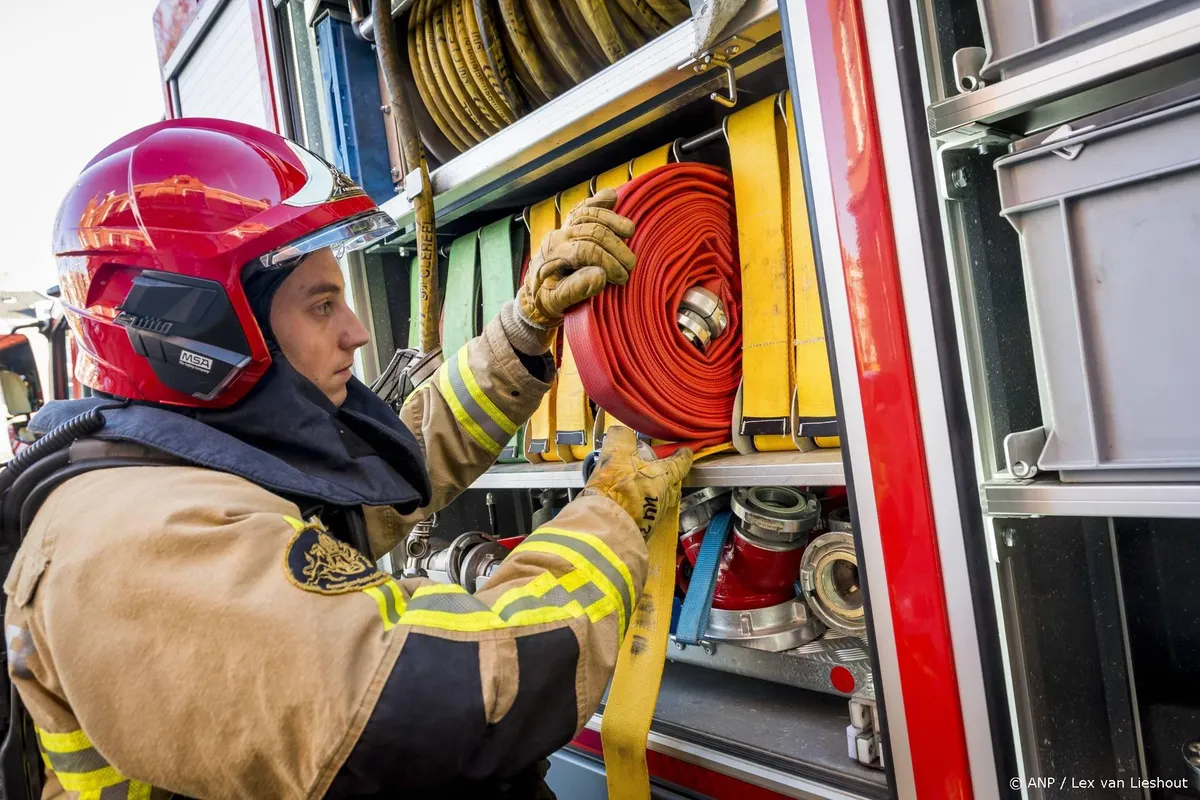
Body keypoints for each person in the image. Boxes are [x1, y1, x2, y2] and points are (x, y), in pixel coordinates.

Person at [1, 119, 692, 798]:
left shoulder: (188, 466)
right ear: (200, 326)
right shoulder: (140, 546)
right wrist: (614, 517)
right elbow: (451, 698)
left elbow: (373, 471)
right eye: (322, 305)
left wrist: (524, 328)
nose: (357, 332)